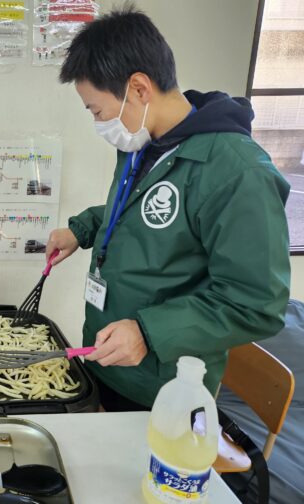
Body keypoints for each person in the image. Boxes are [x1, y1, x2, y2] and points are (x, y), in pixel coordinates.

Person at [46, 4, 291, 411]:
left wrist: (148, 332)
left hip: (164, 386)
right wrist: (82, 228)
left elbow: (255, 303)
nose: (99, 124)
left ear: (139, 89)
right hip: (106, 359)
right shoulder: (144, 144)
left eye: (98, 111)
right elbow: (141, 216)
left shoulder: (238, 172)